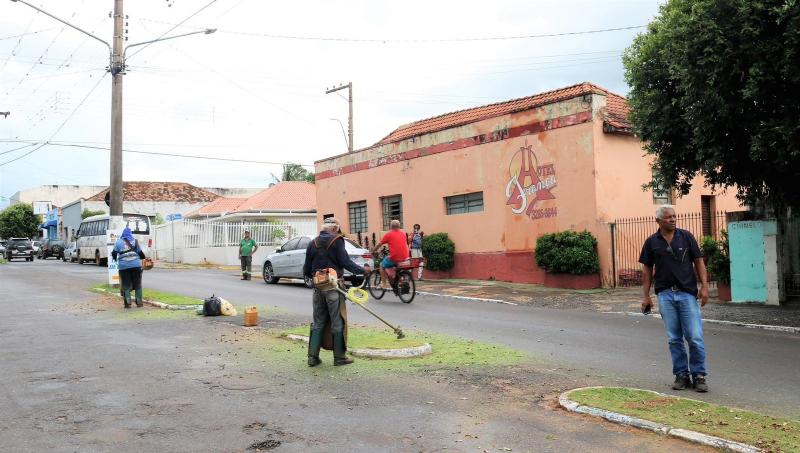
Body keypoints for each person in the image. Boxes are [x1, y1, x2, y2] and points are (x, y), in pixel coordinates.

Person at [640, 205, 710, 392]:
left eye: (674, 216)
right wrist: (646, 296)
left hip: (687, 293)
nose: (672, 219)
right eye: (668, 217)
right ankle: (681, 375)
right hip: (665, 295)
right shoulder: (651, 242)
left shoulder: (686, 237)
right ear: (658, 221)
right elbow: (647, 270)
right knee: (674, 338)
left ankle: (699, 375)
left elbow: (698, 261)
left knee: (694, 336)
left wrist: (704, 286)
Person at [302, 218, 369, 367]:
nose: (338, 233)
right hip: (334, 287)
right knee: (337, 321)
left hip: (318, 287)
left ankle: (312, 357)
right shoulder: (337, 241)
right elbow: (346, 262)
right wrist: (362, 270)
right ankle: (339, 357)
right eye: (338, 230)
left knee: (318, 322)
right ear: (334, 229)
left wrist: (312, 280)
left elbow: (306, 269)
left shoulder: (312, 243)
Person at [111, 227, 145, 309]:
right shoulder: (135, 241)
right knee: (137, 284)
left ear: (123, 234)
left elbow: (114, 253)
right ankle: (139, 303)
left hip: (124, 267)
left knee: (126, 284)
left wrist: (116, 260)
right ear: (130, 234)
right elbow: (141, 254)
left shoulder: (118, 242)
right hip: (136, 266)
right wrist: (141, 258)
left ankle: (128, 304)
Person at [372, 219, 410, 290]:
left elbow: (379, 244)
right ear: (399, 226)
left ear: (391, 226)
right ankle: (401, 280)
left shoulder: (389, 234)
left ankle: (384, 284)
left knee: (381, 265)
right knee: (396, 267)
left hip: (395, 257)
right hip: (405, 257)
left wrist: (373, 250)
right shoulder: (403, 234)